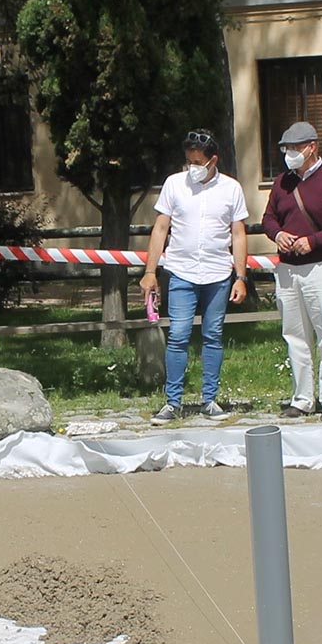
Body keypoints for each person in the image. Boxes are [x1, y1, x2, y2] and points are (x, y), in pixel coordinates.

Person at [140, 130, 248, 425]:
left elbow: (238, 234)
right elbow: (160, 228)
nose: (192, 167)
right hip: (181, 272)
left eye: (198, 162)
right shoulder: (175, 185)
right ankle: (172, 402)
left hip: (217, 273)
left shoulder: (231, 188)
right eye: (188, 161)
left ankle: (209, 399)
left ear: (213, 160)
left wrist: (241, 276)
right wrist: (150, 272)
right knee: (178, 335)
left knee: (213, 336)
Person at [262, 122, 322, 420]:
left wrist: (313, 241)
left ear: (311, 147)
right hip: (288, 270)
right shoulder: (282, 183)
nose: (289, 154)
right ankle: (302, 398)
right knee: (294, 336)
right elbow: (268, 218)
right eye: (285, 149)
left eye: (294, 148)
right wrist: (278, 235)